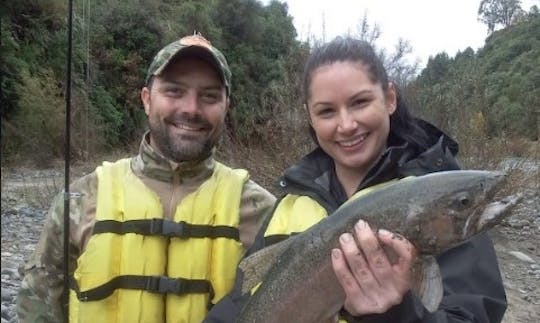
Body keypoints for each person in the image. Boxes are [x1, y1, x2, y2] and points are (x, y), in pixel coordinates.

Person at [205, 36, 507, 322]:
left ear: (389, 98)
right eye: (326, 111)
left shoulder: (438, 196)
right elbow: (239, 302)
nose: (346, 125)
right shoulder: (289, 203)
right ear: (310, 117)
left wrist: (397, 315)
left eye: (360, 102)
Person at [16, 33, 276, 323]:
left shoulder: (264, 211)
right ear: (147, 99)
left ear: (225, 107)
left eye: (210, 96)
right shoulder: (80, 199)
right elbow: (36, 311)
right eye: (174, 91)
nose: (191, 109)